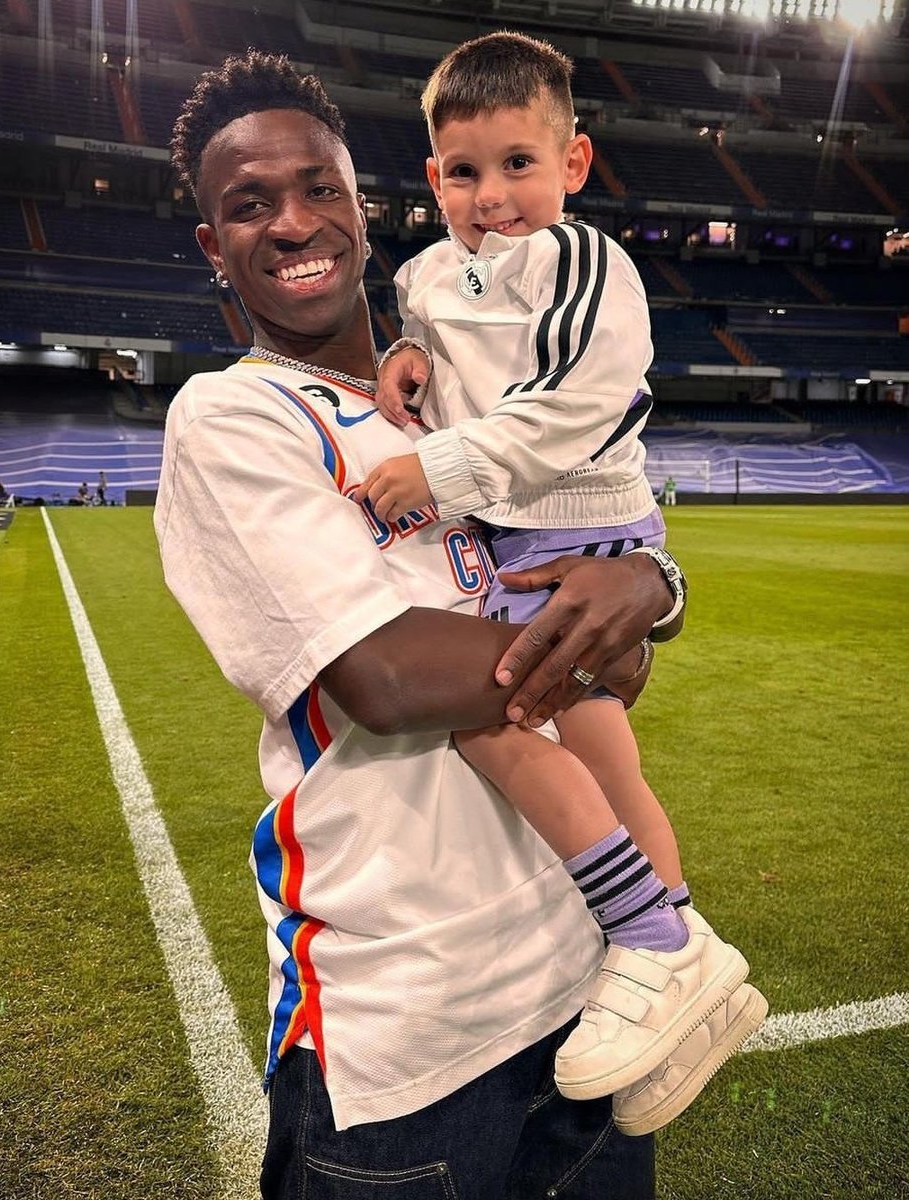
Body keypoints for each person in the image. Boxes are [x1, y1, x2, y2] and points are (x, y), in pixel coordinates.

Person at [158, 50, 695, 1199]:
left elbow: (612, 653)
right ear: (215, 245)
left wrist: (644, 588)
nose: (293, 222)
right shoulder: (233, 414)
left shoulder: (456, 397)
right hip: (406, 1031)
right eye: (249, 205)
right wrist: (614, 617)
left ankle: (674, 936)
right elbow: (392, 682)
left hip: (585, 977)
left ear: (364, 206)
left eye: (318, 189)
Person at [359, 30, 765, 1128]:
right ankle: (688, 955)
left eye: (516, 164)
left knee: (504, 724)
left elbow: (566, 410)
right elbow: (432, 335)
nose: (490, 196)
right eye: (460, 171)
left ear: (573, 164)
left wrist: (430, 469)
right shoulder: (424, 270)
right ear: (431, 176)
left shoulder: (588, 263)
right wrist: (405, 354)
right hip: (501, 536)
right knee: (581, 743)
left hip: (579, 532)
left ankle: (651, 938)